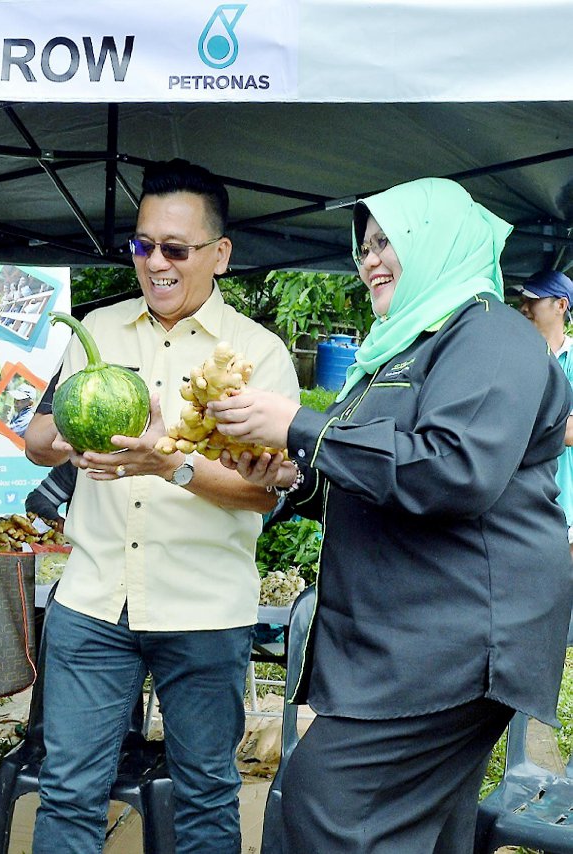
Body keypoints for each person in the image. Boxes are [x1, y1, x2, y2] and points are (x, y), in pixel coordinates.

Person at [208, 177, 573, 853]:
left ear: (434, 241)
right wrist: (296, 473)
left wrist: (298, 424)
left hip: (457, 643)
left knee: (321, 808)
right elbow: (384, 477)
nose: (369, 258)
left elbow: (455, 470)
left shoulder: (491, 336)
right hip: (411, 641)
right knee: (426, 828)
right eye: (364, 244)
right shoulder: (407, 346)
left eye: (388, 242)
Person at [25, 158, 300, 853]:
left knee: (206, 795)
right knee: (69, 792)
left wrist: (169, 463)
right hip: (93, 603)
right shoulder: (98, 331)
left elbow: (262, 493)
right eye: (143, 245)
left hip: (205, 610)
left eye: (175, 248)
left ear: (220, 255)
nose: (155, 262)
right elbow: (35, 439)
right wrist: (69, 439)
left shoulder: (258, 356)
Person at [518, 270, 573, 554]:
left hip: (567, 500)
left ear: (561, 305)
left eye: (533, 300)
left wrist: (519, 424)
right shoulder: (518, 354)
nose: (523, 307)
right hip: (523, 502)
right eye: (522, 299)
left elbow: (571, 433)